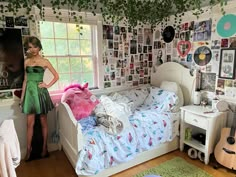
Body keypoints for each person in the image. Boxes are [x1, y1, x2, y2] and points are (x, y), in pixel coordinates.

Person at [20, 36, 59, 161]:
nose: (33, 49)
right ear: (28, 48)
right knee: (29, 124)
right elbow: (25, 80)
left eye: (35, 47)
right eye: (30, 47)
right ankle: (29, 150)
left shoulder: (45, 61)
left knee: (43, 122)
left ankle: (44, 148)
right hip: (30, 95)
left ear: (39, 47)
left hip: (41, 93)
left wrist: (46, 85)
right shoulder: (26, 61)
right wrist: (22, 99)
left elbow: (56, 76)